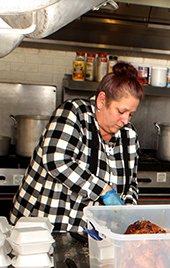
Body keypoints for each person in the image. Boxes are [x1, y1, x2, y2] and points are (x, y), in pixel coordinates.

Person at [10, 61, 143, 232]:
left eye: (131, 114)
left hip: (90, 233)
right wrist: (104, 190)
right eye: (121, 111)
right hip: (44, 227)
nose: (125, 120)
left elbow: (131, 182)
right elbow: (57, 161)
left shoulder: (129, 135)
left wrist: (127, 211)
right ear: (102, 100)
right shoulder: (74, 113)